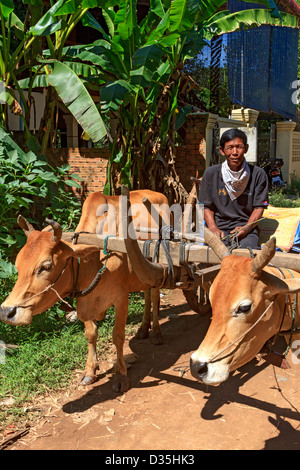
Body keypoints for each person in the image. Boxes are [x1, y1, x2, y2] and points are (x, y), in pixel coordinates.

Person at [199, 128, 269, 250]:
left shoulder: (258, 174)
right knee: (213, 255)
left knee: (248, 254)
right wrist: (213, 228)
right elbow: (206, 206)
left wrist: (246, 228)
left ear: (246, 148)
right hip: (219, 227)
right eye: (230, 148)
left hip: (246, 230)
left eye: (239, 147)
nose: (235, 152)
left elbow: (259, 208)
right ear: (222, 150)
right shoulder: (211, 173)